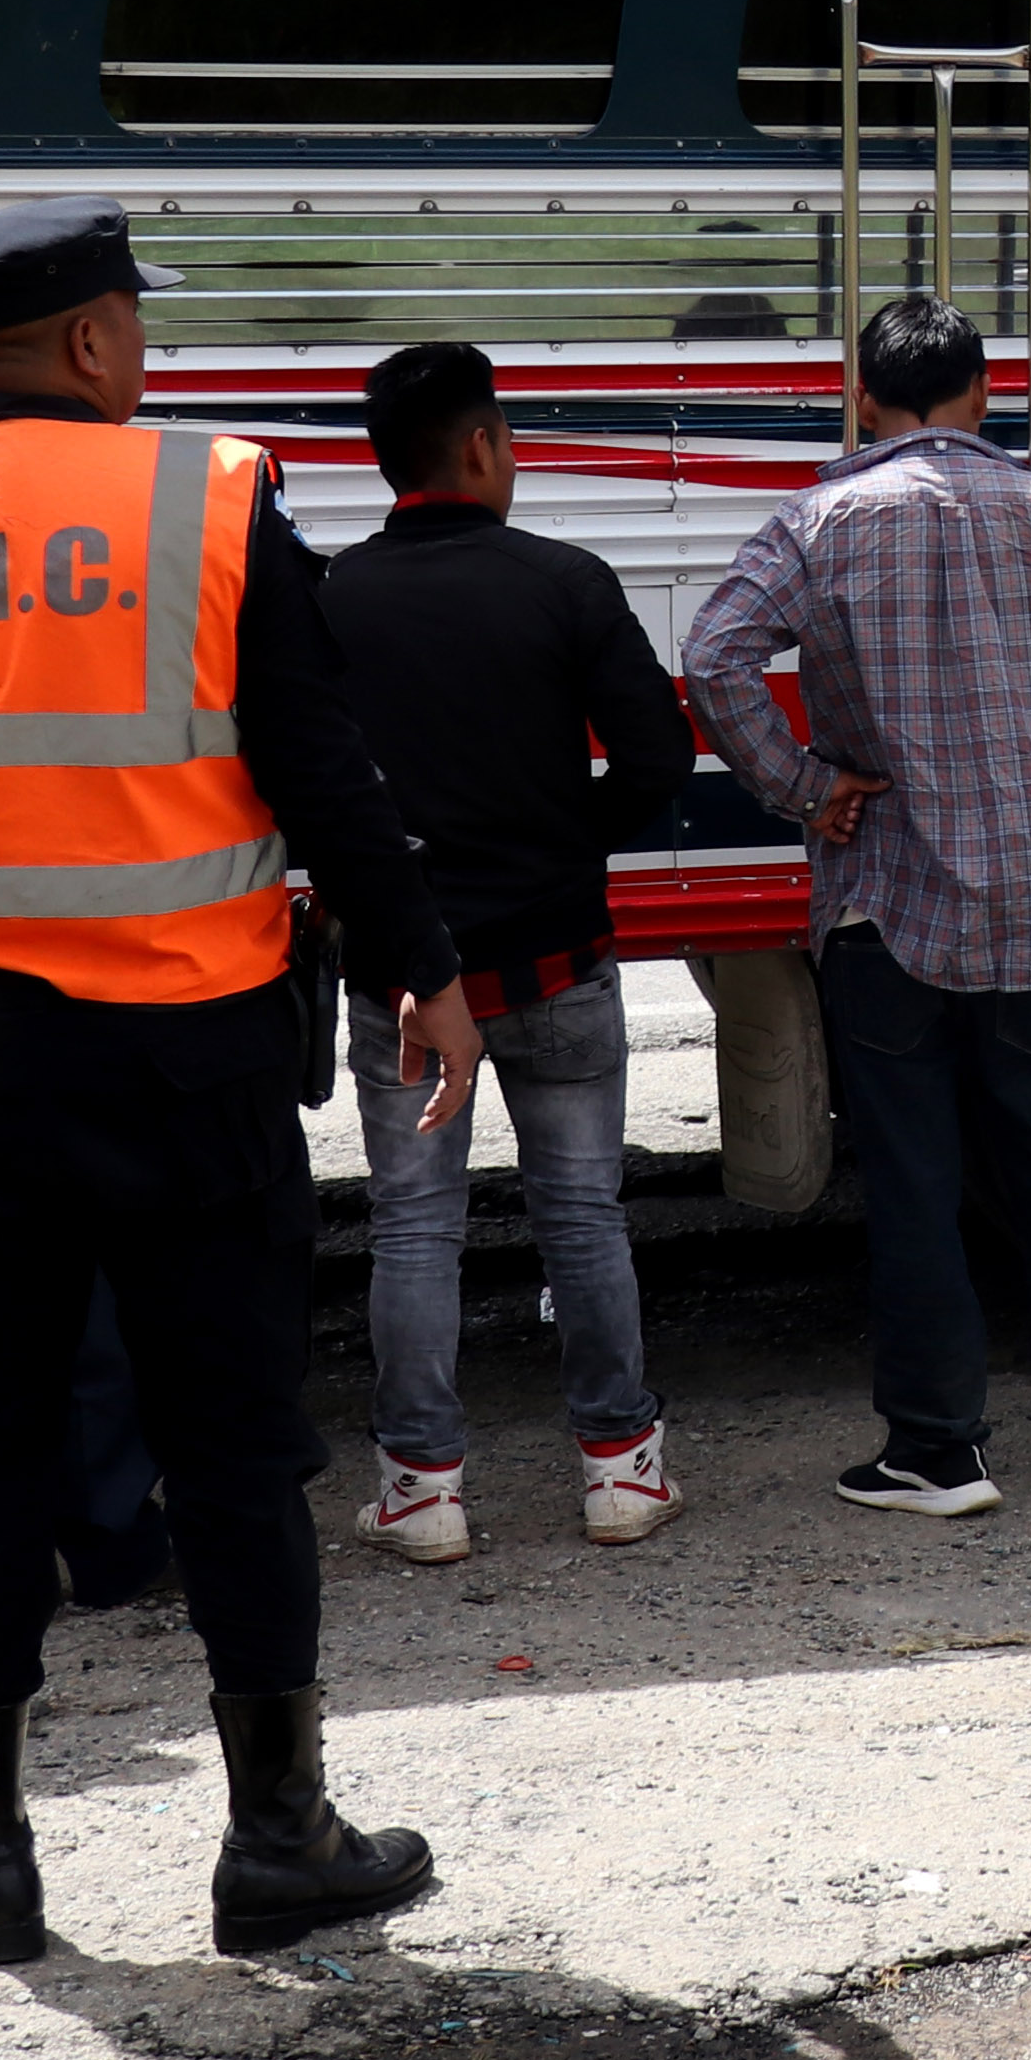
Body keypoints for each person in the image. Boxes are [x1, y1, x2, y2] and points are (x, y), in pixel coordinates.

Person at [0, 198, 466, 1970]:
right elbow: (322, 765)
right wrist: (422, 967)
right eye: (134, 321)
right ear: (88, 343)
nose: (144, 347)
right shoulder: (213, 497)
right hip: (193, 1063)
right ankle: (278, 1838)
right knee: (233, 1448)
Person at [686, 298, 1031, 1508]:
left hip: (891, 899)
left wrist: (807, 788)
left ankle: (938, 1451)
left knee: (911, 1173)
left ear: (863, 401)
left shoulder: (819, 521)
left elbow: (714, 657)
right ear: (984, 391)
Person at [325, 339, 698, 1562]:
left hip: (406, 979)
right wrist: (558, 836)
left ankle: (422, 1491)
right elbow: (652, 762)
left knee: (413, 1228)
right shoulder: (569, 583)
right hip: (558, 959)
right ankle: (620, 1473)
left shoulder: (332, 600)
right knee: (584, 1215)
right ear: (482, 446)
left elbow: (314, 798)